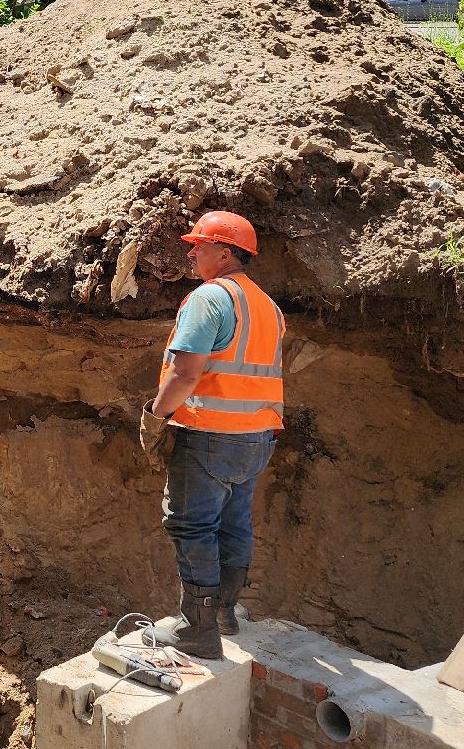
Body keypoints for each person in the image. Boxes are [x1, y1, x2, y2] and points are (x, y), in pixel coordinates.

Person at [138, 210, 285, 660]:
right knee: (234, 521)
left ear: (224, 253)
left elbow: (185, 372)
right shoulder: (267, 306)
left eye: (198, 245)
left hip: (210, 435)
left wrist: (156, 416)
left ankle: (197, 631)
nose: (191, 251)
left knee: (192, 523)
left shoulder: (210, 299)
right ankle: (223, 614)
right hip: (256, 437)